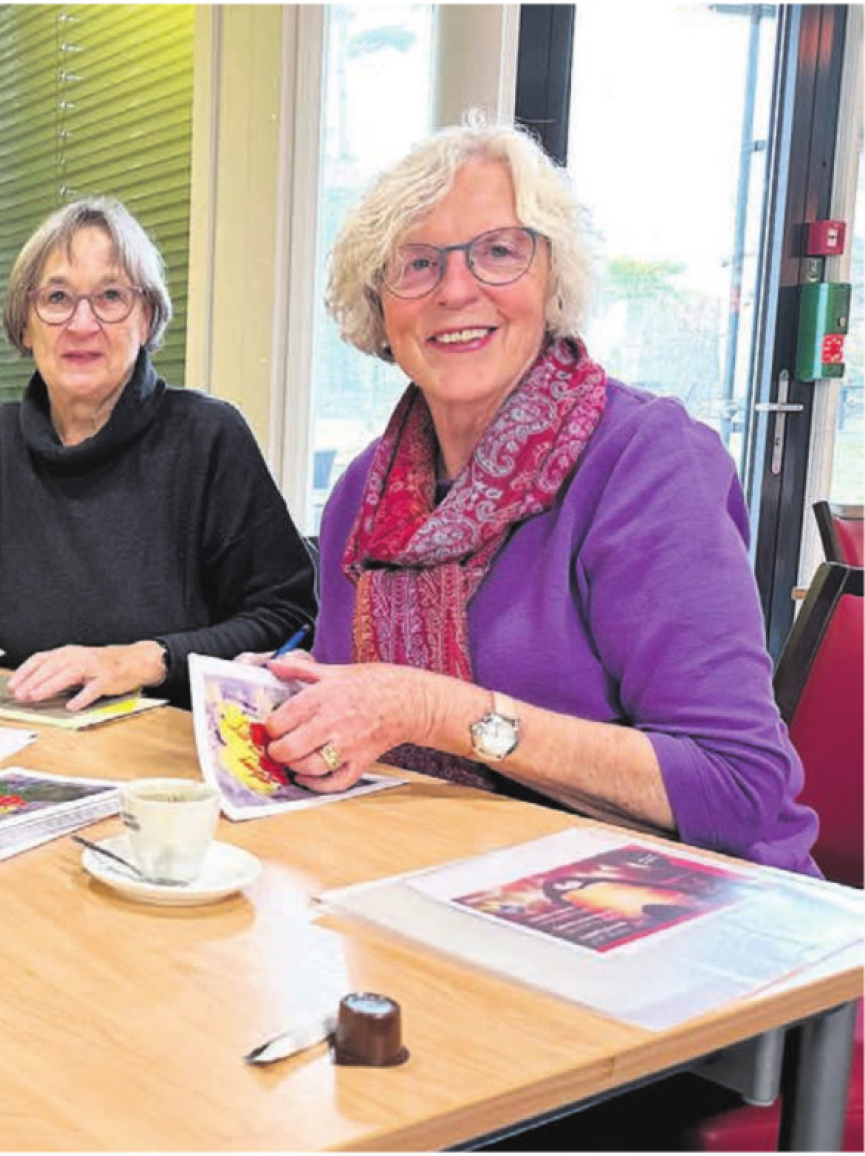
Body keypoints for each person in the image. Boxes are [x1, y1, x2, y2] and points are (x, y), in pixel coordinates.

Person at [260, 117, 817, 876]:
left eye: (498, 251)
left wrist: (436, 710)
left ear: (552, 280)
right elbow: (348, 730)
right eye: (418, 264)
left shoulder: (648, 462)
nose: (457, 290)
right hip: (431, 884)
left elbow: (735, 785)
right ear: (379, 307)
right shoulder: (364, 491)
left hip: (683, 915)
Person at [0, 197, 315, 710]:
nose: (82, 324)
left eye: (111, 296)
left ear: (147, 318)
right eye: (58, 298)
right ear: (25, 323)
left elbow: (285, 620)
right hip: (8, 747)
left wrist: (140, 660)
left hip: (160, 766)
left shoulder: (208, 438)